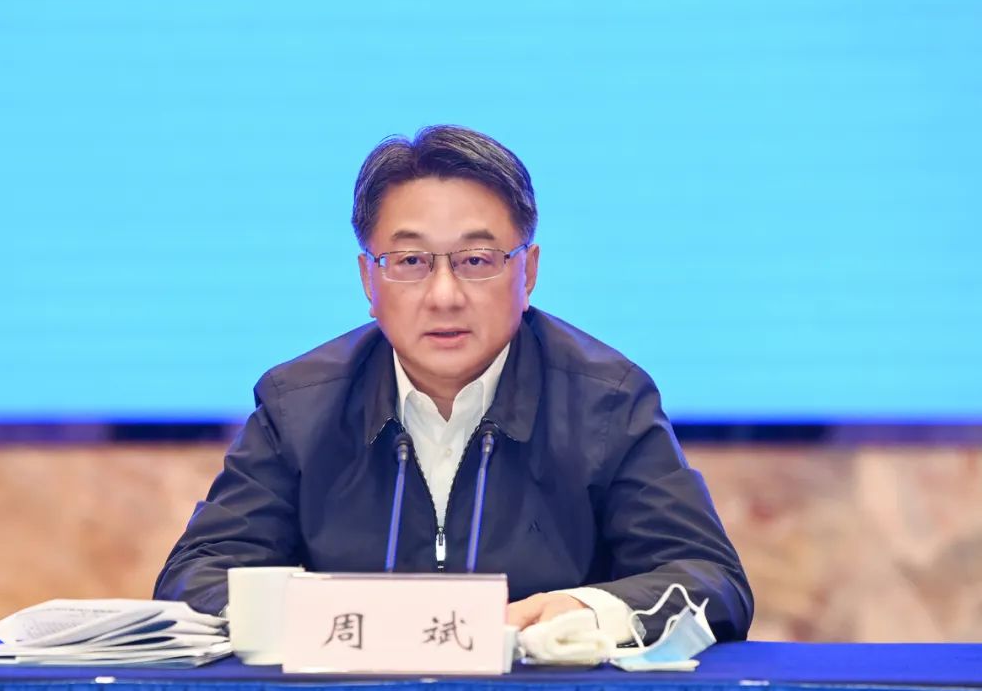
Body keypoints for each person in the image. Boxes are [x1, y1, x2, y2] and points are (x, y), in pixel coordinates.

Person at [154, 125, 753, 642]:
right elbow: (194, 577)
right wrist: (329, 619)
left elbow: (710, 581)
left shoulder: (607, 402)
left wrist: (586, 611)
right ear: (369, 280)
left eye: (476, 260)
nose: (444, 295)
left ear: (528, 272)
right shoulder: (299, 406)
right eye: (411, 262)